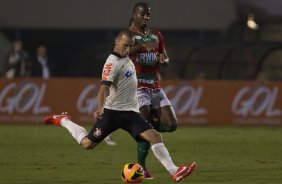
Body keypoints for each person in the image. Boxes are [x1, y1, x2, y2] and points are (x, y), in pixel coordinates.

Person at [44, 30, 196, 182]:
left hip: (130, 113)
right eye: (125, 46)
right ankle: (63, 120)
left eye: (130, 46)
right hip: (113, 114)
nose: (128, 49)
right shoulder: (112, 63)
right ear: (116, 42)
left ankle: (175, 171)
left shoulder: (126, 56)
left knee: (155, 136)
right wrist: (99, 109)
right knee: (87, 144)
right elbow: (102, 90)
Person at [128, 2, 178, 179]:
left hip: (155, 87)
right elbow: (121, 54)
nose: (146, 17)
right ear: (134, 13)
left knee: (171, 125)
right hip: (137, 87)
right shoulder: (128, 35)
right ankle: (141, 166)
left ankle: (141, 129)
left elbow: (165, 58)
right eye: (142, 14)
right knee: (146, 125)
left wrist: (163, 59)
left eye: (148, 14)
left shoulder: (156, 35)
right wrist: (139, 46)